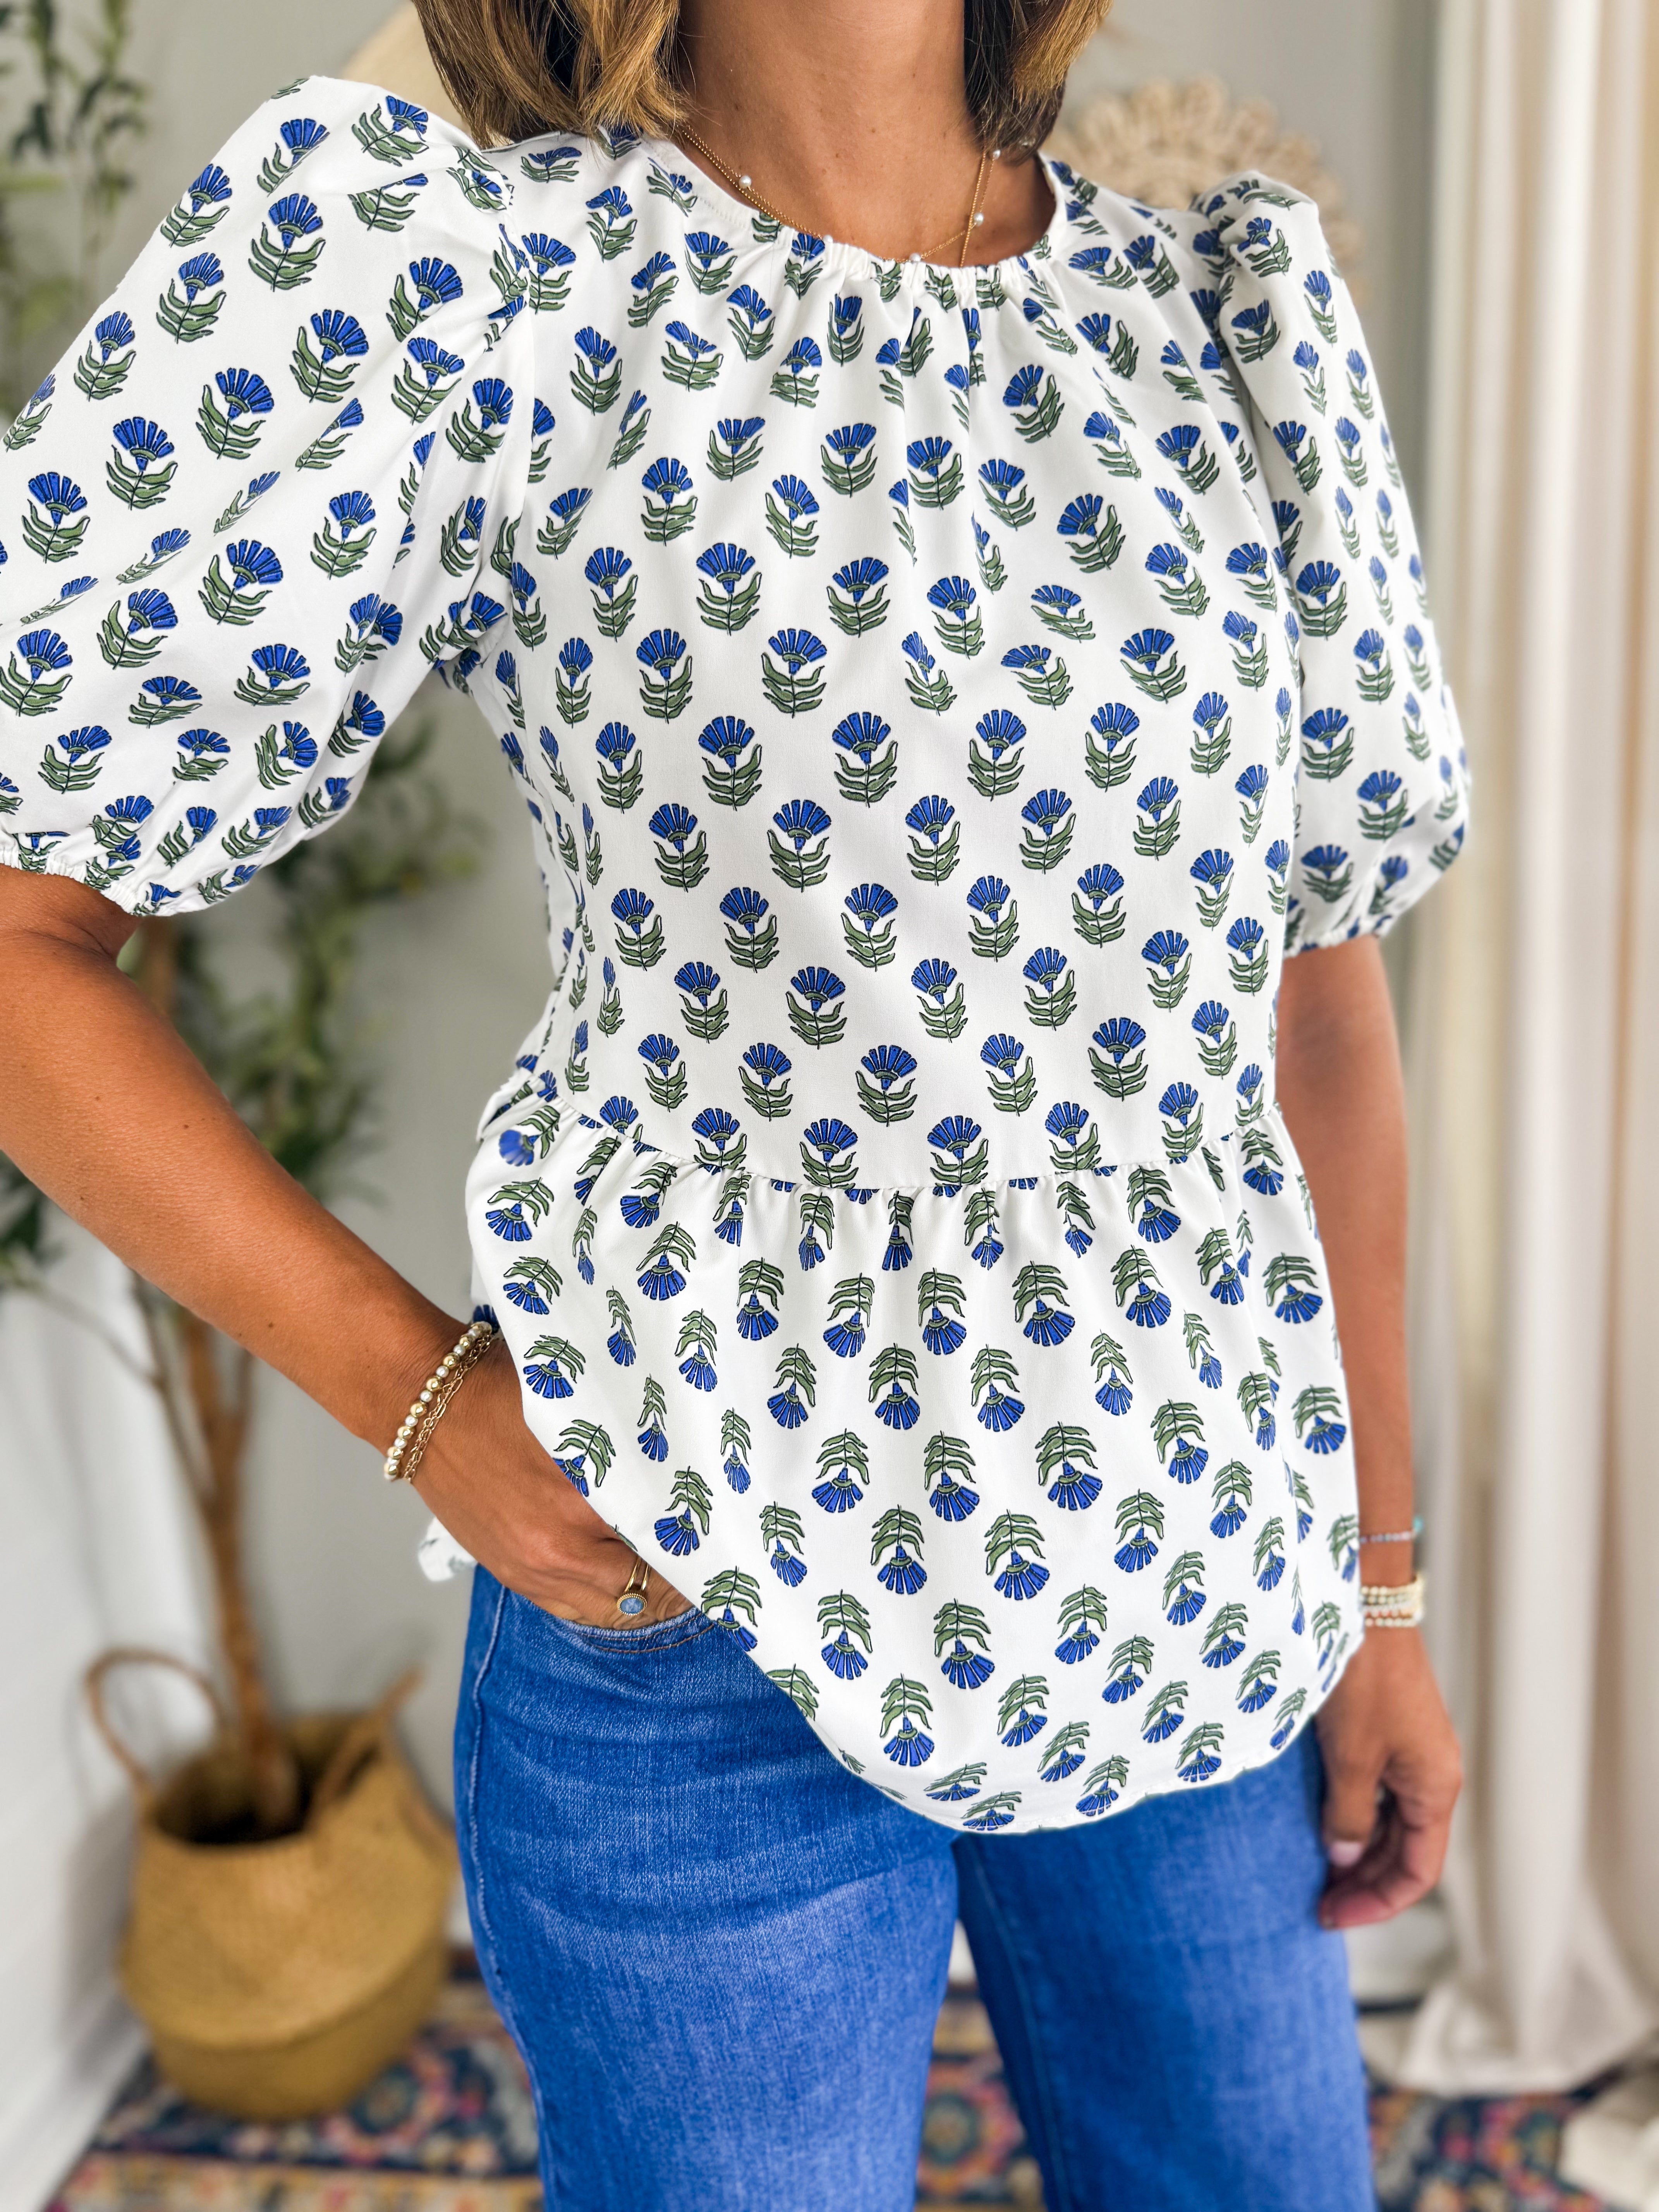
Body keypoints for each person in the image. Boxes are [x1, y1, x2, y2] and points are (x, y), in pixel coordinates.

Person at [0, 0, 1469, 2202]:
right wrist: (429, 1404)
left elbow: (1317, 1016)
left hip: (1194, 1555)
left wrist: (1384, 1592)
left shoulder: (1220, 321)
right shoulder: (466, 276)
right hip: (700, 1619)